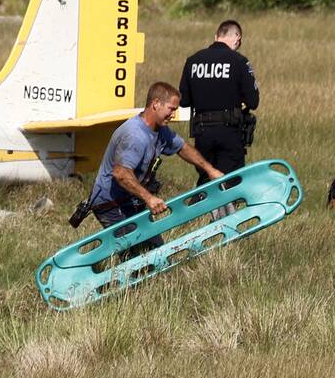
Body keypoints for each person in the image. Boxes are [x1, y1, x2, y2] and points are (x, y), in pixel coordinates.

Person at [86, 81, 224, 235]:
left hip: (130, 200)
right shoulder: (135, 135)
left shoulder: (160, 130)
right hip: (111, 205)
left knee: (154, 249)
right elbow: (121, 174)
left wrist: (210, 170)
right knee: (135, 251)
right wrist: (149, 198)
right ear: (156, 104)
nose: (173, 115)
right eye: (171, 109)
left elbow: (182, 147)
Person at [179, 19, 260, 181]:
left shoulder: (193, 61)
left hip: (202, 132)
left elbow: (184, 101)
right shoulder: (240, 61)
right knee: (230, 182)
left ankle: (201, 205)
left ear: (216, 36)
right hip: (229, 132)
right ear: (237, 38)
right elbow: (253, 102)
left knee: (205, 180)